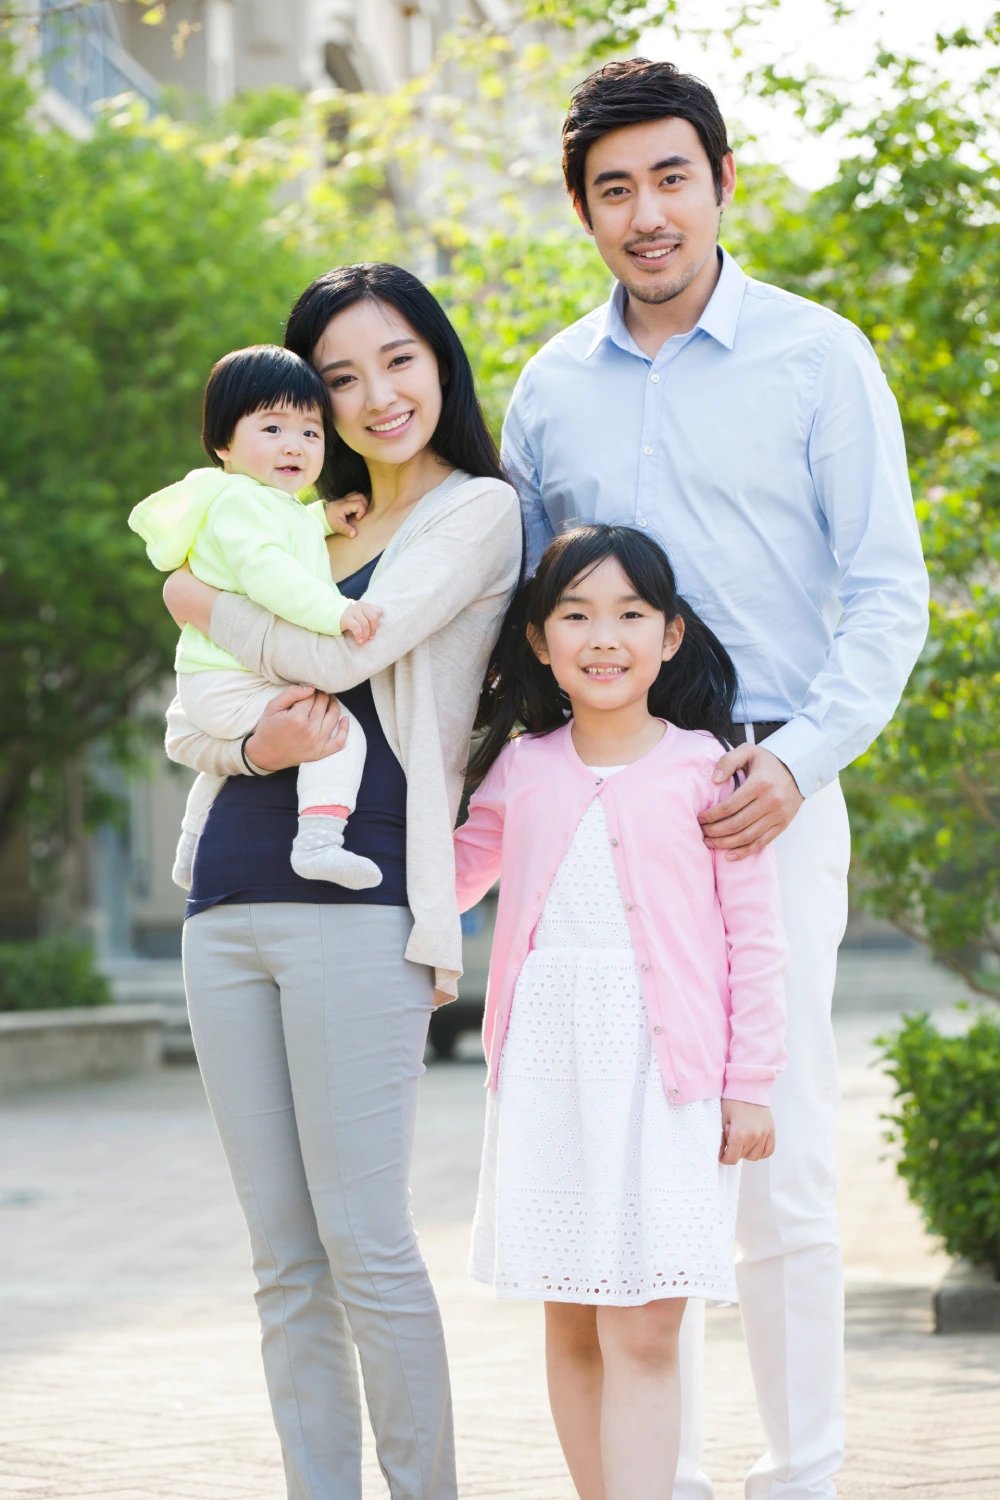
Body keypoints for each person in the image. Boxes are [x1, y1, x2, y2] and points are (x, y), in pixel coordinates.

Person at [500, 58, 929, 1500]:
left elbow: (888, 596)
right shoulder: (551, 388)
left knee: (777, 1154)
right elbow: (527, 613)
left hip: (767, 796)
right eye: (613, 189)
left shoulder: (820, 355)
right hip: (604, 813)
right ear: (581, 208)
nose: (647, 213)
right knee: (632, 1166)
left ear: (723, 180)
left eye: (671, 177)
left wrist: (801, 766)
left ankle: (800, 1473)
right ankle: (651, 1483)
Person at [160, 261, 522, 1500]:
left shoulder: (474, 513)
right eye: (339, 378)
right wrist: (256, 743)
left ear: (440, 363)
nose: (374, 397)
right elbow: (188, 723)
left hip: (359, 911)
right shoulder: (301, 516)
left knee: (365, 1244)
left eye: (397, 362)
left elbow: (339, 648)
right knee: (282, 1258)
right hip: (227, 901)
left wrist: (195, 593)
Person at [454, 523, 787, 1500]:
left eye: (630, 614)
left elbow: (753, 940)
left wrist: (749, 1085)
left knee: (645, 1321)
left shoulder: (711, 769)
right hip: (551, 1074)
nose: (604, 636)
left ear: (670, 636)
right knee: (570, 1315)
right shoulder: (519, 768)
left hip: (667, 1077)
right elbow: (447, 884)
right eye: (575, 614)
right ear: (538, 640)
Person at [129, 344, 383, 893]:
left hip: (218, 677)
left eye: (311, 432)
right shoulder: (240, 504)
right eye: (272, 429)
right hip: (229, 678)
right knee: (339, 732)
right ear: (224, 442)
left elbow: (280, 538)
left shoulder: (266, 504)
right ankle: (319, 842)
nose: (294, 444)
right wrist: (336, 611)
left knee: (222, 764)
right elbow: (269, 573)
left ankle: (191, 847)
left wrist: (323, 517)